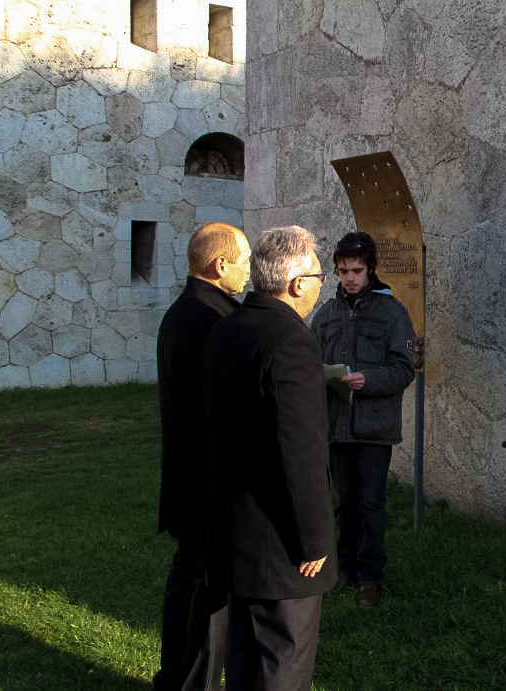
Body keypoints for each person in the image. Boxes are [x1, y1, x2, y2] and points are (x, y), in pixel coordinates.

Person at [202, 225, 336, 691]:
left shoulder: (224, 328)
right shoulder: (292, 340)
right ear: (297, 284)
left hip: (233, 526)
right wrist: (314, 539)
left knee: (244, 657)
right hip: (280, 543)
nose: (322, 284)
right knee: (283, 660)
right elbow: (299, 450)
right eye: (319, 275)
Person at [155, 221, 250, 691]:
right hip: (210, 479)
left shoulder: (181, 312)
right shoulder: (217, 321)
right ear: (220, 264)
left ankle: (172, 676)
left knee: (186, 576)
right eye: (244, 261)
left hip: (184, 473)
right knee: (210, 594)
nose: (249, 271)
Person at [310, 231, 416, 607]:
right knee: (345, 503)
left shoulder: (393, 313)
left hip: (374, 428)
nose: (349, 278)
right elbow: (309, 363)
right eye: (342, 272)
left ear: (370, 267)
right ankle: (345, 569)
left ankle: (371, 578)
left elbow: (404, 369)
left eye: (356, 270)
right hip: (337, 426)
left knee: (371, 505)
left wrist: (367, 380)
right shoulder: (326, 315)